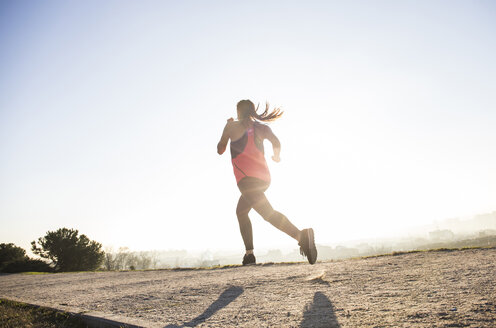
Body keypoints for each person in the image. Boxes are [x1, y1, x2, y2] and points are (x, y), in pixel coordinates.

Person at [217, 99, 317, 265]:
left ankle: (302, 236)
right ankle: (249, 254)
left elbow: (220, 149)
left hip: (246, 180)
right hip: (263, 178)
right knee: (241, 211)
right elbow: (276, 142)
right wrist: (276, 156)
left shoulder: (231, 126)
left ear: (238, 112)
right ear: (252, 111)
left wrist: (225, 129)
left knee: (267, 213)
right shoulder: (262, 128)